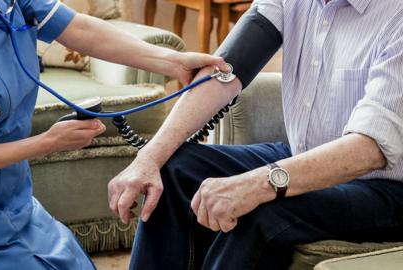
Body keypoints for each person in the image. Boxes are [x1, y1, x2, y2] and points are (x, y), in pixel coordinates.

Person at [0, 0, 227, 269]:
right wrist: (47, 143)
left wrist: (173, 62)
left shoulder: (8, 3)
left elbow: (81, 29)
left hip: (17, 204)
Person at [108, 0, 403, 269]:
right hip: (304, 155)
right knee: (176, 167)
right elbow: (225, 71)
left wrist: (258, 184)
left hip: (384, 188)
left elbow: (370, 149)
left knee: (260, 210)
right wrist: (149, 156)